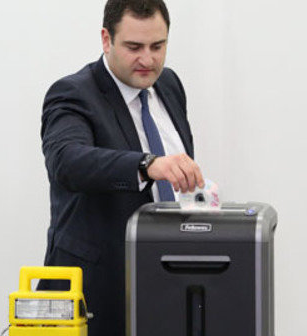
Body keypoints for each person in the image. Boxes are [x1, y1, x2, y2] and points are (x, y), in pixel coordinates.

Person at [39, 0, 204, 335]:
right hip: (98, 296)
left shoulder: (169, 85)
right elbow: (68, 161)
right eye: (134, 47)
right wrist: (146, 165)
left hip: (168, 284)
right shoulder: (73, 93)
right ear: (106, 39)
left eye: (158, 46)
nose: (148, 59)